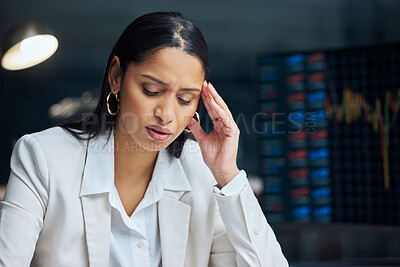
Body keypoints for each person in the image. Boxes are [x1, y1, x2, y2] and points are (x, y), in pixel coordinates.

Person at [0, 12, 288, 267]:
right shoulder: (43, 157)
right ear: (116, 76)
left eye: (185, 99)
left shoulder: (202, 171)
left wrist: (227, 175)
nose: (166, 114)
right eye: (151, 90)